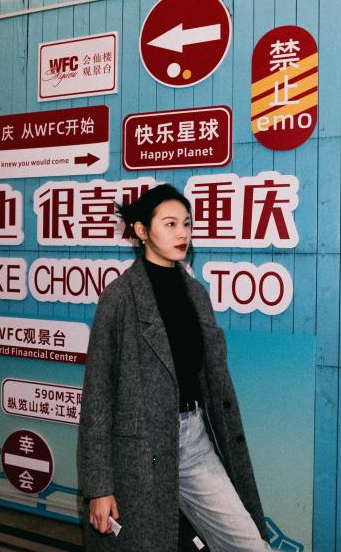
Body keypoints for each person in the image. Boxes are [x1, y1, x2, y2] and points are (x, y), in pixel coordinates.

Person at [78, 184, 271, 551]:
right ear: (141, 231)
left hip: (194, 439)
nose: (182, 233)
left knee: (248, 544)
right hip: (139, 452)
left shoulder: (195, 294)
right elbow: (98, 397)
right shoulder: (119, 298)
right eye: (169, 224)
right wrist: (99, 487)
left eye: (186, 223)